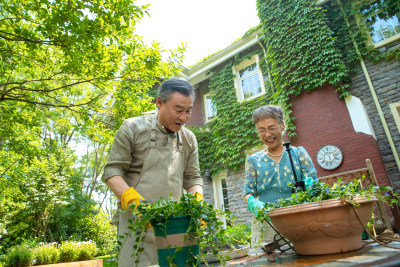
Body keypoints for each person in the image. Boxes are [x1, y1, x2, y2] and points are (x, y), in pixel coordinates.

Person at [102, 78, 204, 266]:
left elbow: (192, 178)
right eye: (178, 110)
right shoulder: (132, 128)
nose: (183, 117)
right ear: (159, 102)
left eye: (188, 111)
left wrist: (196, 204)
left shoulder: (189, 139)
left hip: (175, 224)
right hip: (136, 223)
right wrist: (134, 202)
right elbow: (112, 171)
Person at [242, 105, 318, 249]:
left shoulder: (298, 153)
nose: (267, 135)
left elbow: (314, 182)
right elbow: (247, 192)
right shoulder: (253, 160)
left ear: (282, 126)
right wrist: (254, 203)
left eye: (271, 128)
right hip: (267, 224)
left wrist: (309, 185)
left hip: (299, 219)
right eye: (261, 130)